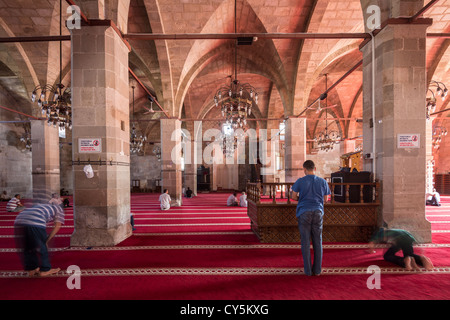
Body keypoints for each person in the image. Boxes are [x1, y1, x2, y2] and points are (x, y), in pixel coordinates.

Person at [290, 160, 331, 276]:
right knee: (318, 241)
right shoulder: (322, 182)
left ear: (304, 169)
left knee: (305, 242)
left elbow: (293, 196)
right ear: (315, 168)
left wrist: (302, 200)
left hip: (304, 212)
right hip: (318, 212)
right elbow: (326, 199)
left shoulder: (300, 181)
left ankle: (308, 271)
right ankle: (317, 270)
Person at [14, 203, 65, 277]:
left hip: (20, 219)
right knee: (42, 246)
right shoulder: (60, 209)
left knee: (28, 246)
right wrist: (47, 241)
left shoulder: (42, 206)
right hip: (35, 220)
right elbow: (57, 226)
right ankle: (45, 269)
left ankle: (32, 268)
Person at [368, 227, 434, 271]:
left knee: (387, 256)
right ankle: (422, 259)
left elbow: (371, 243)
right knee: (410, 254)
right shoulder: (389, 231)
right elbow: (393, 244)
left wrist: (372, 251)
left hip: (399, 240)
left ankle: (404, 261)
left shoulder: (377, 234)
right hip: (408, 237)